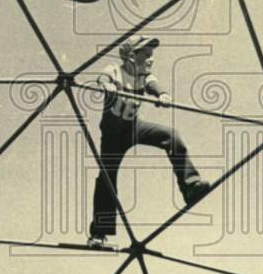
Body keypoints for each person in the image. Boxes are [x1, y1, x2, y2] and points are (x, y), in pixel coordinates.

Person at [87, 34, 211, 249]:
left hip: (134, 128)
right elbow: (103, 78)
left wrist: (162, 95)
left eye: (151, 55)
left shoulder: (145, 76)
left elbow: (155, 87)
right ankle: (98, 234)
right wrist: (107, 86)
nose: (151, 60)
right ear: (132, 56)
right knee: (107, 177)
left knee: (171, 136)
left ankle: (190, 186)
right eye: (146, 55)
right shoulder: (114, 71)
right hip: (112, 135)